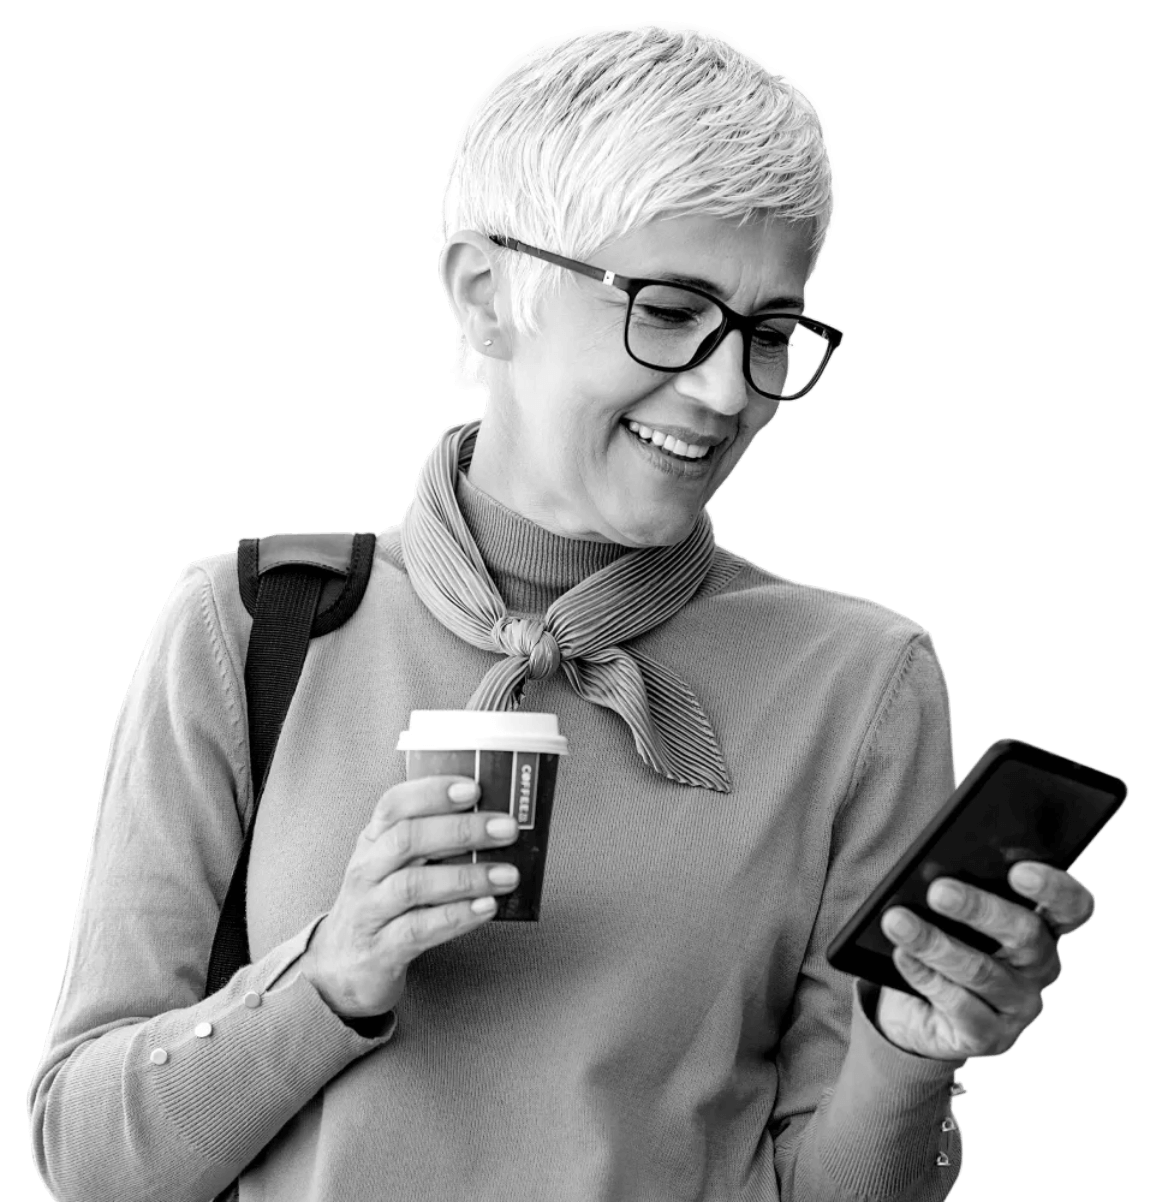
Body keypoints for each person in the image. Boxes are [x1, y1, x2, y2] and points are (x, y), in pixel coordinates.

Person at [28, 21, 1096, 1202]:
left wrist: (913, 1052)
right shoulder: (250, 625)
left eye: (771, 331)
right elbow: (88, 1158)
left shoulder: (861, 678)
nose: (726, 389)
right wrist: (323, 978)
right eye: (671, 309)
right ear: (486, 296)